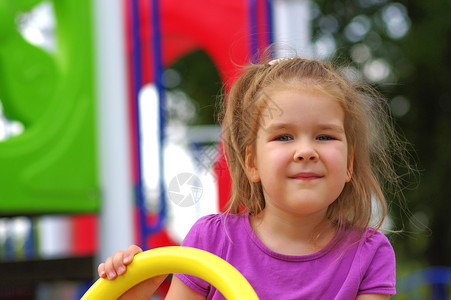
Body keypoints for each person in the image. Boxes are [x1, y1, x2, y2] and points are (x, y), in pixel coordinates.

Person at [98, 57, 411, 299]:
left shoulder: (369, 253)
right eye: (284, 137)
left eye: (325, 137)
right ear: (252, 164)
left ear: (349, 164)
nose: (305, 151)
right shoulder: (212, 242)